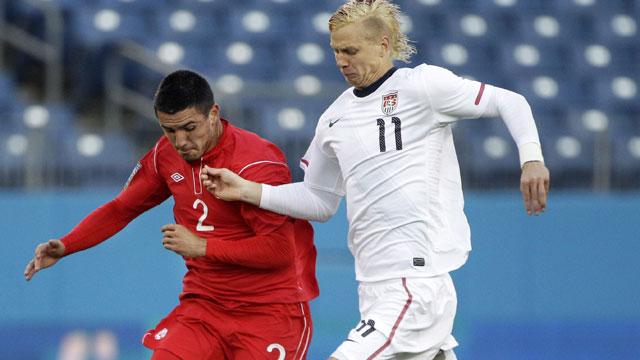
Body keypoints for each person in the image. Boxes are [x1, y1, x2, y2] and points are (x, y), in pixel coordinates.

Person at [200, 1, 550, 359]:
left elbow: (510, 101)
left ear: (383, 44)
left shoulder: (423, 85)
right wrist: (248, 191)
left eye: (350, 50)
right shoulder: (334, 117)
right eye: (336, 50)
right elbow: (318, 200)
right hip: (372, 282)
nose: (340, 61)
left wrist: (532, 159)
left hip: (414, 279)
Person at [24, 70, 319, 360]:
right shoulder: (165, 155)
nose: (180, 141)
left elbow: (280, 251)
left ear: (213, 113)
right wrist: (67, 245)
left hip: (270, 312)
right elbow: (122, 208)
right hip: (206, 308)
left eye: (190, 128)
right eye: (169, 130)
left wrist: (202, 247)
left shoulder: (256, 163)